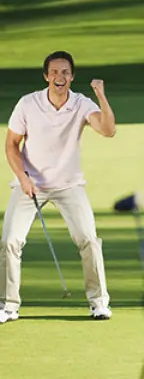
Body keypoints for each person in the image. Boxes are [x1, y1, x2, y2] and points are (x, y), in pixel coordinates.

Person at [0, 51, 116, 323]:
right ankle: (8, 305)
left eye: (65, 72)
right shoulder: (28, 104)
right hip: (30, 184)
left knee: (88, 239)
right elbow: (11, 145)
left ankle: (99, 302)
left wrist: (101, 95)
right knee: (10, 241)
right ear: (46, 76)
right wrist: (23, 177)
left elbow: (108, 130)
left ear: (72, 76)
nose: (59, 77)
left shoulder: (81, 104)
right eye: (54, 72)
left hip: (68, 185)